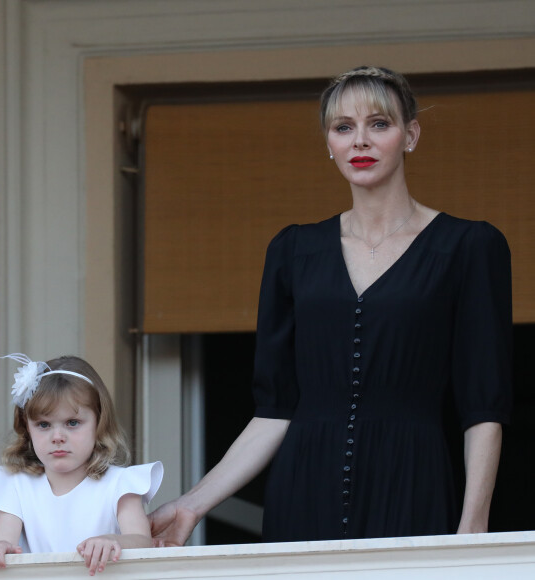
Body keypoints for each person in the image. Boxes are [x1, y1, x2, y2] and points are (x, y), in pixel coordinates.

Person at [149, 65, 512, 544]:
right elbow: (273, 411)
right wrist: (191, 505)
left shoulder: (469, 246)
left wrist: (473, 526)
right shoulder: (293, 251)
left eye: (379, 124)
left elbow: (482, 407)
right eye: (344, 128)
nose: (360, 141)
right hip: (302, 489)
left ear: (411, 135)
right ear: (329, 144)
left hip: (411, 485)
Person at [0, 353, 163, 575]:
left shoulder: (120, 484)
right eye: (43, 425)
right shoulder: (17, 486)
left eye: (72, 422)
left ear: (99, 422)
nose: (57, 436)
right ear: (27, 428)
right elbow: (3, 541)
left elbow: (142, 541)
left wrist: (113, 540)